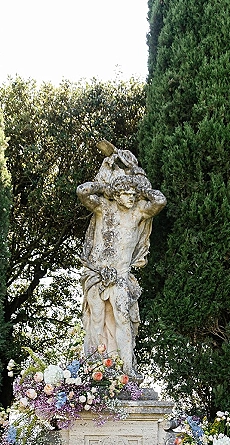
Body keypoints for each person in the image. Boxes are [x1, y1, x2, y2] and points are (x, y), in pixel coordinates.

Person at [77, 146, 166, 379]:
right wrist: (105, 186)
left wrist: (136, 175)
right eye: (127, 193)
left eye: (133, 194)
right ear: (116, 194)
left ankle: (128, 371)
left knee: (123, 318)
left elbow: (159, 200)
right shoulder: (103, 208)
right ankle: (92, 369)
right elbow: (83, 190)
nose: (132, 196)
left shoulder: (138, 212)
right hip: (96, 273)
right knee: (95, 318)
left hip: (121, 276)